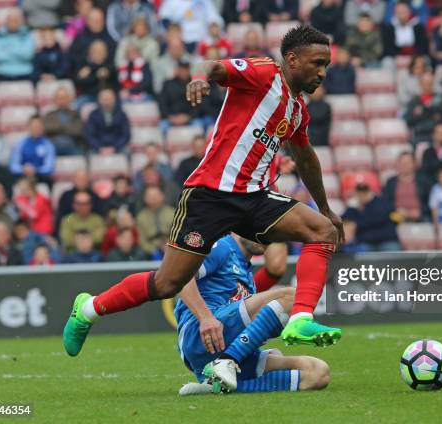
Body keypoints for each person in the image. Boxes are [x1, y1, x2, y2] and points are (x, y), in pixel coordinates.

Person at [63, 26, 345, 360]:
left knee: (322, 230)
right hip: (209, 195)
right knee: (167, 283)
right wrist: (200, 78)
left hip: (254, 198)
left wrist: (325, 208)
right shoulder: (265, 73)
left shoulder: (297, 110)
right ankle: (89, 309)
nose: (322, 72)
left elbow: (306, 158)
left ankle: (300, 319)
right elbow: (217, 66)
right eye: (317, 63)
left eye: (326, 65)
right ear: (293, 60)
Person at [174, 234, 329, 395]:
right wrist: (205, 318)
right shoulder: (221, 247)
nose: (265, 236)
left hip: (226, 346)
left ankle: (216, 385)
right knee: (293, 297)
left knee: (318, 373)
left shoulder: (247, 272)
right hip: (200, 336)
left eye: (269, 232)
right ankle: (228, 361)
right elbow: (179, 275)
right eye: (259, 228)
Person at [342, 182, 401, 251]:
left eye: (364, 193)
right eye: (359, 193)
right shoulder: (354, 207)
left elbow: (377, 218)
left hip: (386, 240)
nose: (362, 195)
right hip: (366, 242)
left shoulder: (381, 202)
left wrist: (356, 224)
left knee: (393, 253)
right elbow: (344, 218)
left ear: (369, 192)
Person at [405, 73, 442, 143]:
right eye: (425, 84)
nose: (427, 86)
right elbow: (409, 120)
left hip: (440, 136)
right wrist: (432, 113)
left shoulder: (440, 98)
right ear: (420, 84)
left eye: (430, 83)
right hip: (421, 135)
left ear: (433, 84)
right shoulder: (414, 101)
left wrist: (425, 111)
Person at [383, 152, 432, 222]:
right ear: (397, 164)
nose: (405, 165)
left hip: (420, 217)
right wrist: (396, 210)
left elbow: (431, 202)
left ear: (414, 164)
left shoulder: (424, 181)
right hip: (397, 216)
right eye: (402, 162)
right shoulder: (390, 182)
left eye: (408, 162)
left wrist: (420, 211)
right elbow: (385, 203)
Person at [159, 0, 223, 52]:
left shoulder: (205, 1)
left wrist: (214, 29)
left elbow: (215, 20)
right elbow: (164, 19)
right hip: (181, 40)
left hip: (202, 40)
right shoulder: (171, 2)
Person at [0, 9, 35, 82]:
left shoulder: (27, 34)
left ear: (20, 22)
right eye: (10, 20)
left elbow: (27, 55)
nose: (13, 23)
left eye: (16, 20)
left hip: (25, 72)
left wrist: (8, 50)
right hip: (2, 72)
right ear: (6, 21)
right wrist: (19, 51)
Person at [9, 116, 56, 187]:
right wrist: (23, 169)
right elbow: (14, 166)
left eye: (38, 127)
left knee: (49, 180)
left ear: (43, 128)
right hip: (23, 175)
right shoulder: (20, 144)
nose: (36, 129)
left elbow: (49, 167)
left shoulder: (48, 145)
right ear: (28, 128)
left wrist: (35, 170)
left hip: (40, 176)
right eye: (33, 127)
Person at [68, 8, 116, 72]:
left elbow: (113, 61)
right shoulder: (79, 39)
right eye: (93, 20)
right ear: (87, 21)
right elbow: (73, 59)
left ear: (104, 21)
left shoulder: (110, 40)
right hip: (83, 74)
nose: (96, 23)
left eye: (99, 20)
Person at [84, 88, 131, 154]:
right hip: (98, 147)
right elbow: (90, 135)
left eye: (109, 99)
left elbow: (125, 135)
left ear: (114, 99)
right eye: (104, 99)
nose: (107, 102)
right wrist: (99, 148)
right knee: (89, 154)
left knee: (127, 153)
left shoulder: (121, 114)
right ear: (99, 100)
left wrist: (115, 148)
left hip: (118, 147)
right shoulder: (93, 115)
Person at [74, 40, 117, 106]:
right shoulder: (83, 65)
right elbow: (77, 82)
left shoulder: (111, 65)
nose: (98, 53)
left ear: (106, 53)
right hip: (89, 96)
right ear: (90, 53)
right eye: (95, 51)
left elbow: (116, 81)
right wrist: (96, 76)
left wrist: (108, 73)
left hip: (109, 97)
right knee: (76, 105)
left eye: (100, 51)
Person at [43, 87, 85, 156]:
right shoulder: (49, 115)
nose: (62, 101)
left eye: (64, 98)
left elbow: (77, 131)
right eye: (59, 98)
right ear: (55, 100)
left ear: (69, 99)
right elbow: (48, 128)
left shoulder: (76, 114)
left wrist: (58, 128)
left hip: (73, 145)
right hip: (54, 146)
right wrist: (67, 127)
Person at [135, 186, 176, 256]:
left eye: (156, 195)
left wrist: (170, 245)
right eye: (150, 196)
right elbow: (141, 240)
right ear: (145, 198)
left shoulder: (173, 213)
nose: (153, 198)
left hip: (172, 245)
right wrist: (153, 250)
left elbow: (178, 234)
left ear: (162, 196)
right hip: (151, 248)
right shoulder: (141, 217)